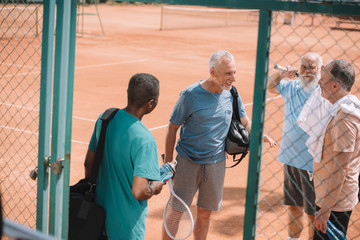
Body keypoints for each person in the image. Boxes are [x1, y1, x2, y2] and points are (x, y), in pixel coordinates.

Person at [161, 50, 276, 240]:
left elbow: (244, 119)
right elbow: (172, 128)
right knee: (176, 212)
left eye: (234, 72)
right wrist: (169, 162)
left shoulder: (231, 93)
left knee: (205, 214)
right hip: (188, 162)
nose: (234, 78)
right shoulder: (190, 95)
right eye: (228, 73)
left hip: (216, 163)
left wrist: (258, 134)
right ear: (213, 72)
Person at [84, 73, 165, 240]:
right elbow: (139, 191)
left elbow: (88, 164)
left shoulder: (105, 118)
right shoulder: (145, 139)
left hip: (97, 218)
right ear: (151, 103)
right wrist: (155, 187)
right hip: (126, 228)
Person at [267, 52, 323, 240]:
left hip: (311, 162)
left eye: (311, 67)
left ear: (320, 70)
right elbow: (269, 87)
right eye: (303, 67)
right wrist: (282, 74)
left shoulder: (324, 92)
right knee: (293, 206)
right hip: (290, 158)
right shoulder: (292, 86)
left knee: (312, 212)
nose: (307, 71)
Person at [309, 60, 360, 239]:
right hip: (331, 197)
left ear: (335, 85)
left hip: (335, 203)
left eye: (322, 79)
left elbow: (341, 167)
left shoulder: (343, 119)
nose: (319, 83)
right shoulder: (341, 108)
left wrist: (325, 210)